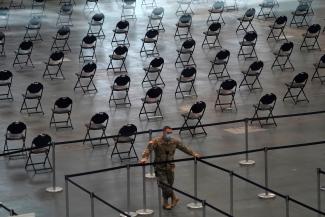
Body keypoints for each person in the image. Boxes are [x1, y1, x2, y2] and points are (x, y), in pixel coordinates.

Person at [140, 126, 200, 210]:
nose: (169, 135)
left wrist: (194, 154)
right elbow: (148, 149)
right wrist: (144, 158)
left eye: (170, 133)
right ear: (163, 132)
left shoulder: (174, 141)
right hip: (159, 167)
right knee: (165, 186)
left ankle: (168, 202)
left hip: (170, 167)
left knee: (169, 185)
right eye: (167, 133)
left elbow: (184, 148)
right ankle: (172, 199)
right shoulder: (156, 141)